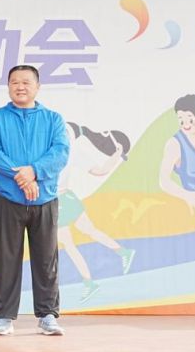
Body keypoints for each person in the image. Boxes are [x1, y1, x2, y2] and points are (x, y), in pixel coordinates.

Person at [0, 65, 69, 336]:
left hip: (45, 198)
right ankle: (3, 317)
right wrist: (21, 176)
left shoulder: (53, 119)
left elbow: (60, 152)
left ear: (37, 87)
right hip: (8, 197)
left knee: (46, 259)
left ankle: (48, 315)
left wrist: (35, 171)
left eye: (26, 82)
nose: (20, 87)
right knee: (6, 258)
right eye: (14, 82)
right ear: (8, 86)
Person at [57, 123, 136, 304]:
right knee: (80, 237)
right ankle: (122, 253)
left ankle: (90, 282)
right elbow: (100, 171)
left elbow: (100, 171)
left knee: (72, 243)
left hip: (60, 200)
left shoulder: (71, 151)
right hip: (64, 198)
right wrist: (117, 154)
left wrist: (117, 154)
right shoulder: (64, 150)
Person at [158, 94, 195, 243]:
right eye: (181, 120)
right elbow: (164, 180)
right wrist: (186, 195)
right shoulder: (175, 144)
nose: (186, 124)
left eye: (190, 120)